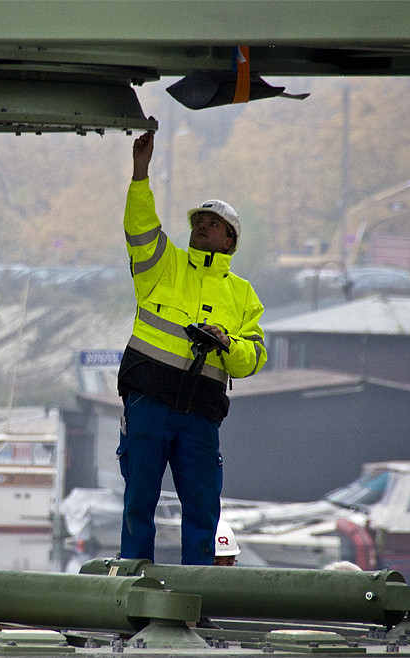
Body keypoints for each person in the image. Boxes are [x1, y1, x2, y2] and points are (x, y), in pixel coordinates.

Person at [117, 127, 267, 565]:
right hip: (148, 404)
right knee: (137, 505)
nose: (202, 226)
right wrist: (140, 172)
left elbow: (253, 358)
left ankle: (194, 603)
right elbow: (140, 225)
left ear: (229, 241)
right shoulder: (161, 265)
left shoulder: (244, 295)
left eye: (212, 223)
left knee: (202, 513)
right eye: (198, 221)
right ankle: (132, 590)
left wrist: (227, 345)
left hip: (200, 418)